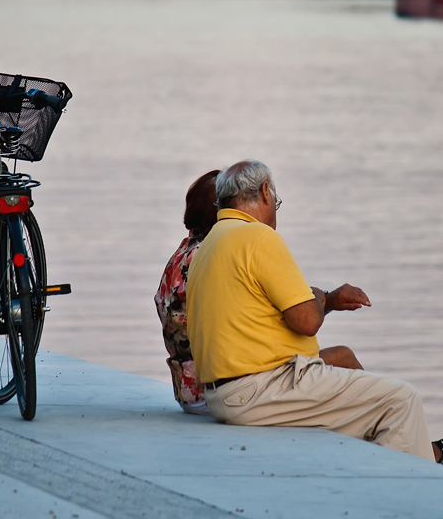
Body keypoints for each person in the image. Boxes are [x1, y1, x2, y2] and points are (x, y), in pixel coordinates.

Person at [186, 160, 443, 463]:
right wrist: (320, 297)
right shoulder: (259, 237)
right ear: (265, 192)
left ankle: (409, 454)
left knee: (349, 371)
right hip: (262, 389)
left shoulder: (208, 246)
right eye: (275, 200)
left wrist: (326, 299)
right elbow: (307, 321)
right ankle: (405, 488)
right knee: (401, 399)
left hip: (222, 396)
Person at [155, 169, 367, 416]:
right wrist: (321, 299)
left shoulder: (181, 256)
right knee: (343, 357)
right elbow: (294, 319)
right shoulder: (217, 253)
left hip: (188, 390)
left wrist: (325, 301)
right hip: (223, 389)